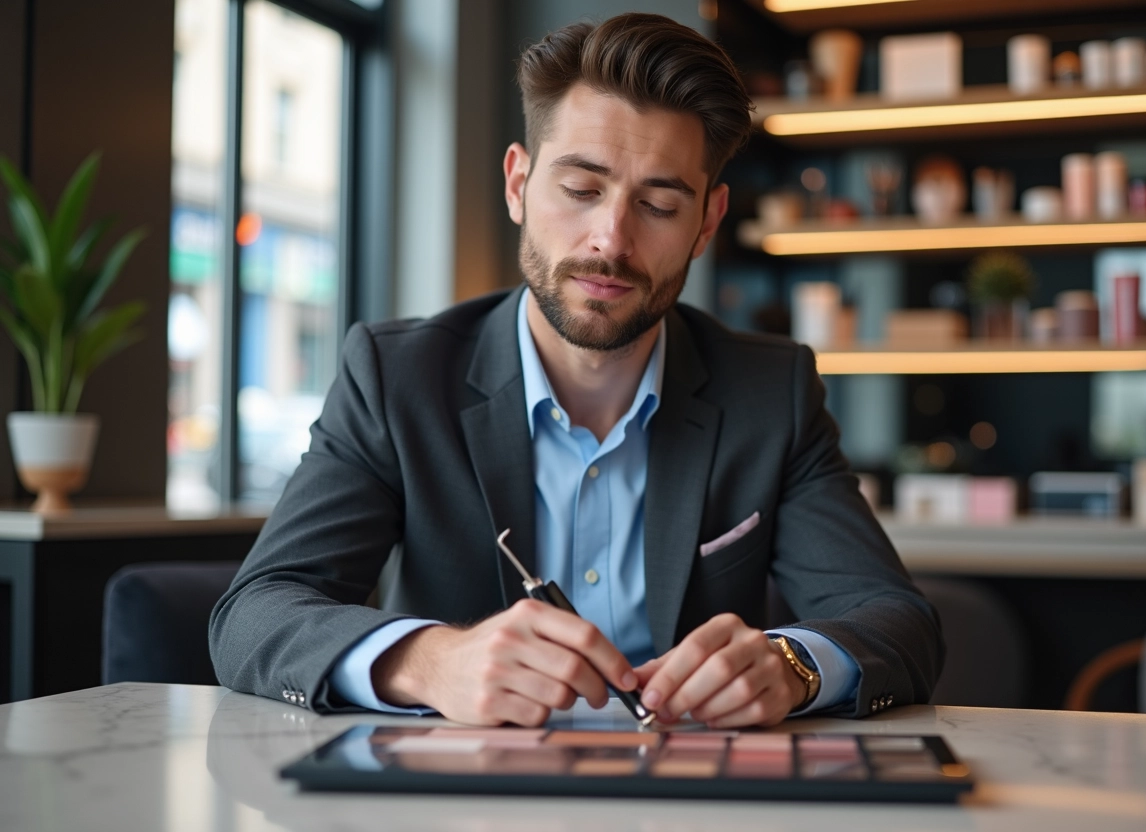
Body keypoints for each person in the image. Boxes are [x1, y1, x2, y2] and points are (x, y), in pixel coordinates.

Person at [209, 12, 943, 728]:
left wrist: (793, 666)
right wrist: (431, 663)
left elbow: (898, 622)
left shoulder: (769, 392)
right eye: (581, 190)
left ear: (707, 223)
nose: (611, 240)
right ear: (518, 184)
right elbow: (256, 612)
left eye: (658, 203)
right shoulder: (396, 376)